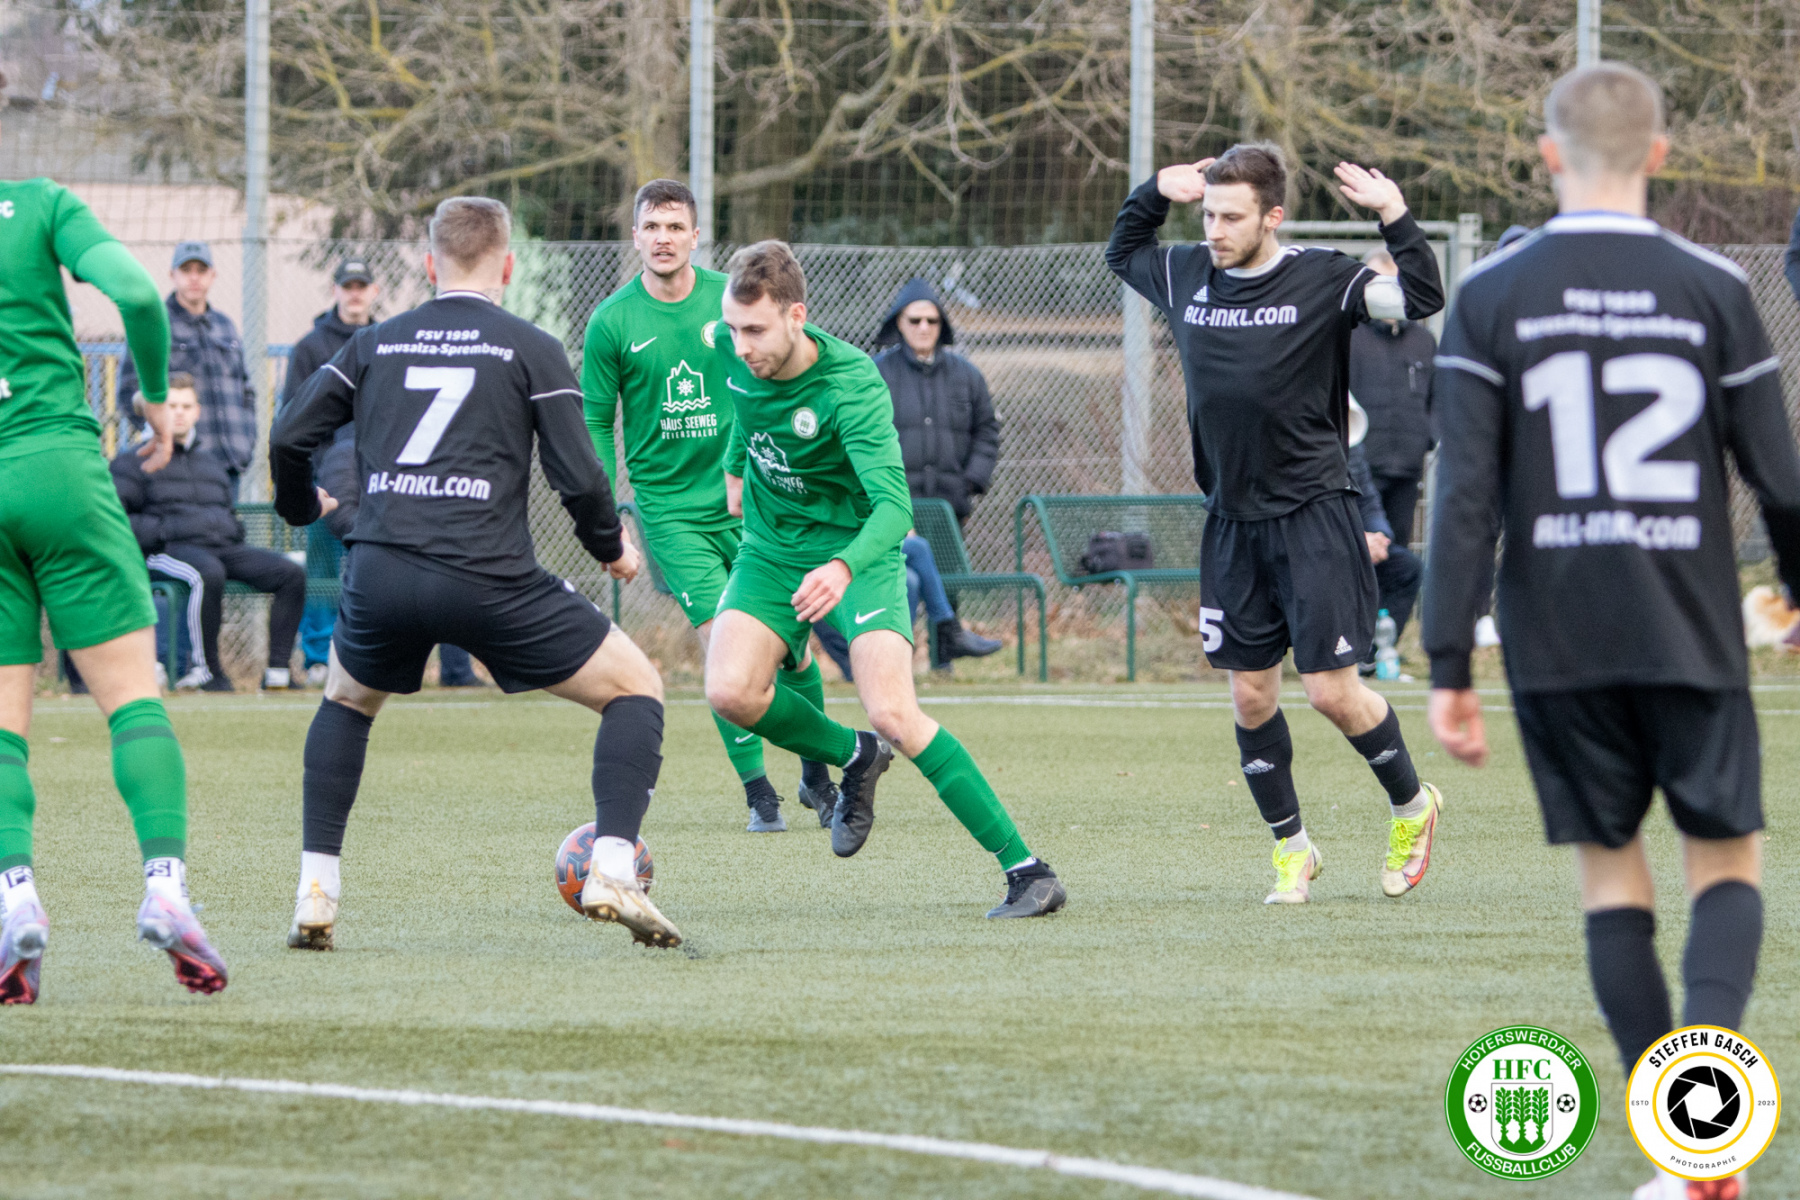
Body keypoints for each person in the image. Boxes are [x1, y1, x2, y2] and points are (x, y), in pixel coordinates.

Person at [1424, 64, 1798, 1200]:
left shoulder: (1491, 293)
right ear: (1661, 156)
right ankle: (1709, 1146)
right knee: (1726, 862)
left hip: (1557, 641)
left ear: (1548, 156)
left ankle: (1690, 1158)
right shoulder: (1713, 286)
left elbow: (1465, 497)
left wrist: (1448, 661)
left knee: (1611, 880)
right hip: (1691, 628)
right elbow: (1781, 482)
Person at [272, 196, 679, 950]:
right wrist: (610, 546)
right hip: (488, 578)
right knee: (636, 689)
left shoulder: (373, 343)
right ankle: (614, 866)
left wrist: (300, 505)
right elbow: (580, 475)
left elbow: (289, 435)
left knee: (347, 702)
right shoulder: (530, 346)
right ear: (509, 266)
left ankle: (315, 891)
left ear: (430, 265)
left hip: (383, 571)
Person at [1107, 142, 1447, 904]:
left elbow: (1421, 297)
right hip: (1232, 522)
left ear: (1273, 217)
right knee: (1251, 697)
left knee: (1331, 693)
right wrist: (1154, 191)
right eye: (1208, 215)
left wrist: (1394, 214)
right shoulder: (1186, 273)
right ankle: (1293, 851)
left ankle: (1412, 806)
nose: (1215, 231)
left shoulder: (1325, 278)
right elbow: (1123, 250)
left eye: (1232, 217)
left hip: (1315, 515)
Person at [703, 241, 1066, 918]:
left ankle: (1028, 872)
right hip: (771, 551)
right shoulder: (733, 349)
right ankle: (855, 756)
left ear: (796, 317)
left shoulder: (852, 384)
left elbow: (895, 508)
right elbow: (745, 411)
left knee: (895, 713)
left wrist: (842, 566)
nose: (740, 344)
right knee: (729, 690)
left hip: (857, 553)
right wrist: (732, 469)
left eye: (754, 330)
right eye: (733, 328)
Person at [0, 87, 229, 1003]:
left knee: (3, 724)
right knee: (134, 699)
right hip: (57, 465)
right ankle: (165, 888)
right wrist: (154, 398)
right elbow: (136, 291)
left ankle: (14, 898)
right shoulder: (41, 204)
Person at [582, 179, 833, 835]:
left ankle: (816, 775)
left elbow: (789, 369)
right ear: (635, 236)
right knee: (724, 642)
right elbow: (595, 423)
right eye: (651, 226)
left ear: (696, 236)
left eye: (675, 227)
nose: (663, 238)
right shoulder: (612, 321)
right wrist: (605, 516)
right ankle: (759, 794)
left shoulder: (733, 303)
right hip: (671, 513)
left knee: (794, 648)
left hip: (753, 500)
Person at [282, 261, 478, 687]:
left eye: (362, 286)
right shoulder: (310, 347)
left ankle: (384, 654)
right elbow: (294, 415)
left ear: (374, 291)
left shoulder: (393, 340)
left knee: (387, 563)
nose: (355, 294)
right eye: (347, 286)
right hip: (328, 480)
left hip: (386, 476)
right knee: (323, 572)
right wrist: (316, 474)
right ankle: (318, 658)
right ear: (335, 291)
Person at [112, 374, 306, 692]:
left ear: (197, 412)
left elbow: (225, 511)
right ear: (154, 411)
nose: (179, 413)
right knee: (206, 573)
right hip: (163, 551)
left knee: (290, 574)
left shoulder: (210, 462)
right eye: (171, 405)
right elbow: (116, 519)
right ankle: (206, 672)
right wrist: (164, 531)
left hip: (219, 548)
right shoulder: (132, 462)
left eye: (186, 406)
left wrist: (231, 529)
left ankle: (278, 673)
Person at [873, 277, 1005, 670]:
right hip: (897, 501)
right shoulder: (878, 373)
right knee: (898, 581)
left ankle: (943, 660)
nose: (923, 328)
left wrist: (971, 481)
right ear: (899, 323)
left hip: (949, 498)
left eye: (931, 320)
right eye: (914, 320)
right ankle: (895, 658)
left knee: (948, 575)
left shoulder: (966, 375)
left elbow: (987, 430)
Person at [120, 241, 258, 500]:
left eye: (201, 270)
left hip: (228, 463)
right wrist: (162, 439)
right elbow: (129, 392)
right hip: (178, 467)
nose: (194, 277)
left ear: (213, 275)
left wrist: (246, 441)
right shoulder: (154, 326)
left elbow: (246, 391)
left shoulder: (225, 326)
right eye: (186, 270)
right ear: (172, 275)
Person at [1348, 248, 1436, 546]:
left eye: (1395, 284)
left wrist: (1426, 438)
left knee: (1397, 553)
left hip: (1407, 470)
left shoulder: (1423, 341)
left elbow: (1437, 397)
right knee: (1358, 553)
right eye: (1380, 284)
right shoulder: (1348, 336)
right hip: (1358, 471)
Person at [1346, 402, 1421, 679]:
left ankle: (1372, 657)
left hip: (1355, 542)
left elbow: (1368, 501)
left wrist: (1380, 537)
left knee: (1407, 567)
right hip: (1320, 545)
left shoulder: (1353, 449)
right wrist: (1356, 541)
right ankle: (1337, 655)